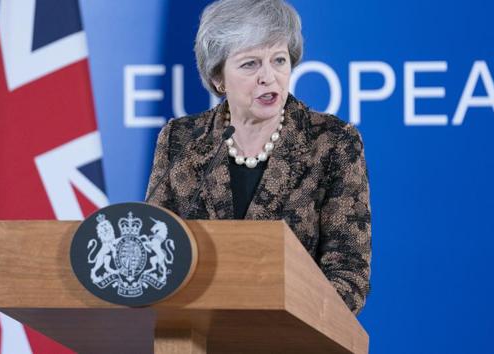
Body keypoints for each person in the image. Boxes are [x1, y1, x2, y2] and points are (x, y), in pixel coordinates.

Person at [146, 0, 371, 314]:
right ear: (218, 78)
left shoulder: (331, 141)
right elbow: (154, 250)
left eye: (279, 60)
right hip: (195, 334)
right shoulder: (181, 141)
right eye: (250, 64)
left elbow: (348, 272)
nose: (269, 76)